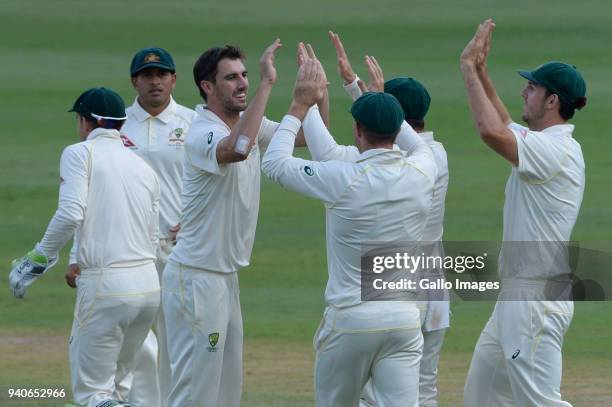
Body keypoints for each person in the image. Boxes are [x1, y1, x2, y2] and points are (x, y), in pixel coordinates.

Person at [262, 54, 437, 406]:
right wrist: (369, 96)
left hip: (352, 321)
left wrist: (301, 103)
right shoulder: (424, 169)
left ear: (357, 131)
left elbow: (275, 163)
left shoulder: (344, 179)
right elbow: (412, 142)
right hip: (404, 319)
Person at [161, 40, 322, 407]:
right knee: (195, 393)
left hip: (225, 277)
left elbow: (308, 137)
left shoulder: (252, 125)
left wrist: (316, 92)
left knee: (227, 392)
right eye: (231, 78)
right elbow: (236, 149)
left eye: (245, 76)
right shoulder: (201, 131)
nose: (243, 84)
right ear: (207, 86)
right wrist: (268, 84)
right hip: (196, 278)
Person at [460, 20, 587, 406]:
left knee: (540, 402)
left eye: (532, 87)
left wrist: (466, 69)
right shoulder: (547, 143)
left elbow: (489, 132)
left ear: (552, 101)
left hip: (535, 300)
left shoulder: (554, 151)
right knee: (481, 397)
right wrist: (482, 73)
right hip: (515, 297)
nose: (524, 91)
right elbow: (502, 123)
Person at [9, 87, 161, 407]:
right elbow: (150, 234)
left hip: (106, 289)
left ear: (85, 122)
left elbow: (70, 213)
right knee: (118, 391)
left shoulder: (79, 153)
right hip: (148, 289)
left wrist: (38, 258)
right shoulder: (144, 168)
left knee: (92, 396)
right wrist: (77, 258)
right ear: (119, 124)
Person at [326, 31, 451, 407]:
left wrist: (354, 90)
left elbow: (374, 150)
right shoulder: (435, 154)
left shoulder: (407, 163)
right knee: (421, 390)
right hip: (431, 288)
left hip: (395, 292)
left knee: (375, 395)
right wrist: (354, 87)